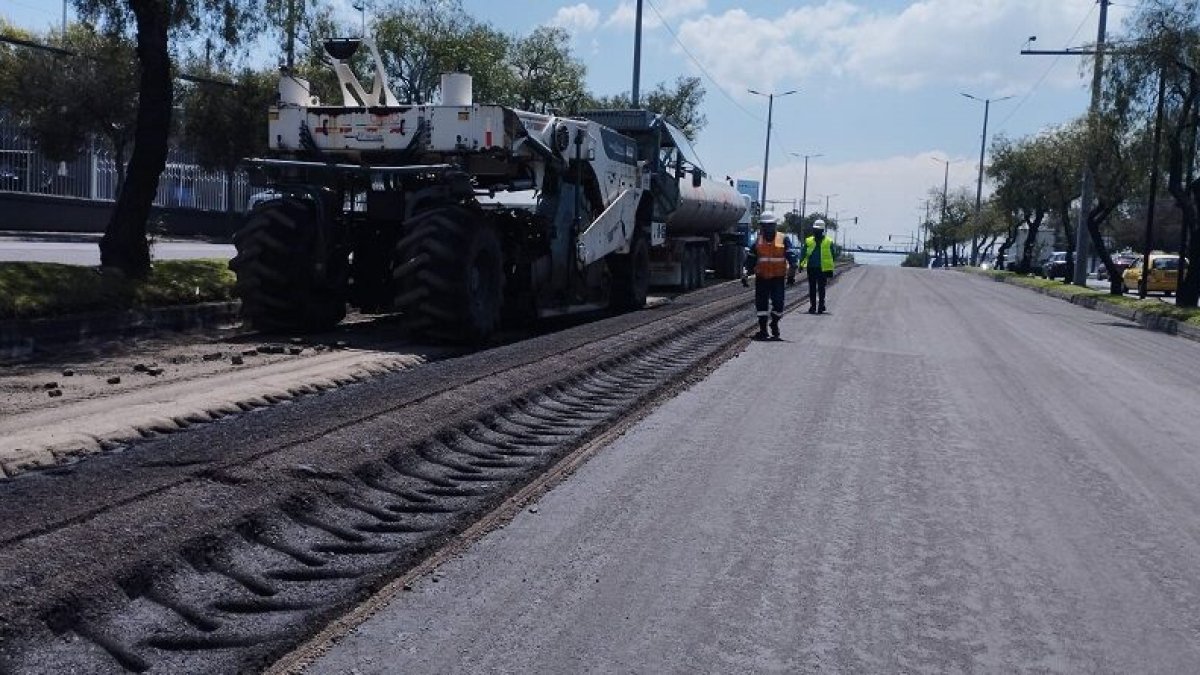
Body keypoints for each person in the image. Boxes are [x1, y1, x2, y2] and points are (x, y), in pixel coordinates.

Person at [741, 212, 798, 339]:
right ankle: (763, 331)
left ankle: (774, 323)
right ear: (762, 226)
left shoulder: (783, 239)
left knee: (778, 304)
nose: (768, 228)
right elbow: (750, 260)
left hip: (778, 278)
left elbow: (792, 258)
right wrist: (745, 275)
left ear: (775, 226)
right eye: (765, 226)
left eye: (770, 225)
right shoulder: (758, 241)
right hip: (762, 278)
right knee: (761, 306)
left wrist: (791, 275)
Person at [800, 220, 835, 314]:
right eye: (816, 230)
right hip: (812, 267)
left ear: (822, 230)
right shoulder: (809, 240)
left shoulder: (829, 241)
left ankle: (819, 306)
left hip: (822, 268)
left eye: (818, 230)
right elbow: (803, 253)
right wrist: (801, 264)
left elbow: (833, 254)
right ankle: (814, 306)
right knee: (815, 288)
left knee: (820, 288)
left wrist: (830, 266)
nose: (817, 232)